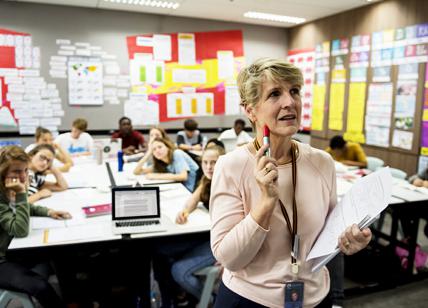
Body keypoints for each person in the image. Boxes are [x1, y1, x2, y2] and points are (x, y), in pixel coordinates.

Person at [210, 58, 372, 307]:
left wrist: (349, 240)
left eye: (294, 91)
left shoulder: (322, 162)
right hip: (251, 299)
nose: (290, 102)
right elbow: (229, 258)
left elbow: (331, 234)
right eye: (275, 94)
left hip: (315, 296)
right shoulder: (231, 166)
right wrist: (265, 203)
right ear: (250, 110)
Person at [0, 146, 71, 308]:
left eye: (25, 170)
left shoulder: (6, 189)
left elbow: (22, 208)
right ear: (2, 171)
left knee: (61, 254)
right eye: (17, 172)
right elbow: (20, 230)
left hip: (11, 250)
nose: (23, 176)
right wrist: (21, 193)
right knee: (40, 286)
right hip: (2, 259)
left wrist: (49, 211)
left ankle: (73, 299)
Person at [171, 146, 225, 301]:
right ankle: (180, 297)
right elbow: (193, 200)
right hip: (209, 235)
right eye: (205, 162)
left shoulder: (230, 182)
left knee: (179, 270)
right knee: (163, 250)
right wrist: (185, 212)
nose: (208, 167)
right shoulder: (207, 180)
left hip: (222, 243)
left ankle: (211, 302)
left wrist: (226, 259)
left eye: (213, 162)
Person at [133, 137, 199, 192]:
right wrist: (148, 153)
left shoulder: (177, 153)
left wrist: (156, 176)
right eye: (154, 149)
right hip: (180, 190)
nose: (157, 151)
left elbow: (183, 176)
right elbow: (137, 172)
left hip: (192, 190)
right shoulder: (160, 163)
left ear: (167, 147)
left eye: (160, 147)